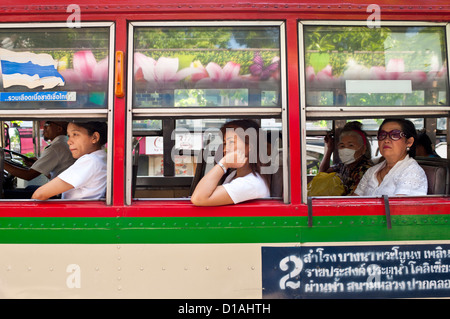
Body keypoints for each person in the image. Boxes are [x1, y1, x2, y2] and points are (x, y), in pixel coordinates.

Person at [191, 119, 270, 206]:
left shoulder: (251, 184)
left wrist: (224, 164)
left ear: (250, 146)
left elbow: (198, 198)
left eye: (231, 142)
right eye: (225, 143)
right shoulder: (233, 175)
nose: (225, 149)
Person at [32, 121, 108, 200]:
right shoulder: (101, 157)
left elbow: (39, 195)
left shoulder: (90, 161)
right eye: (69, 136)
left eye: (75, 134)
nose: (69, 142)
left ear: (94, 137)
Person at [354, 118, 427, 196]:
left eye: (395, 135)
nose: (386, 140)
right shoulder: (372, 171)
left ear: (409, 142)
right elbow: (353, 202)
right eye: (382, 135)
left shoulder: (412, 172)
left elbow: (401, 207)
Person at [4, 121, 75, 181]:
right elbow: (55, 176)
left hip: (59, 194)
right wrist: (37, 165)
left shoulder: (55, 148)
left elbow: (27, 176)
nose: (43, 128)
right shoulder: (64, 143)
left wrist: (2, 163)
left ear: (59, 129)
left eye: (47, 125)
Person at [319, 121, 373, 195]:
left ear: (363, 149)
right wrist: (329, 149)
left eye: (351, 145)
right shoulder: (344, 166)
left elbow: (352, 200)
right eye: (342, 146)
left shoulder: (365, 170)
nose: (345, 149)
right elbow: (322, 174)